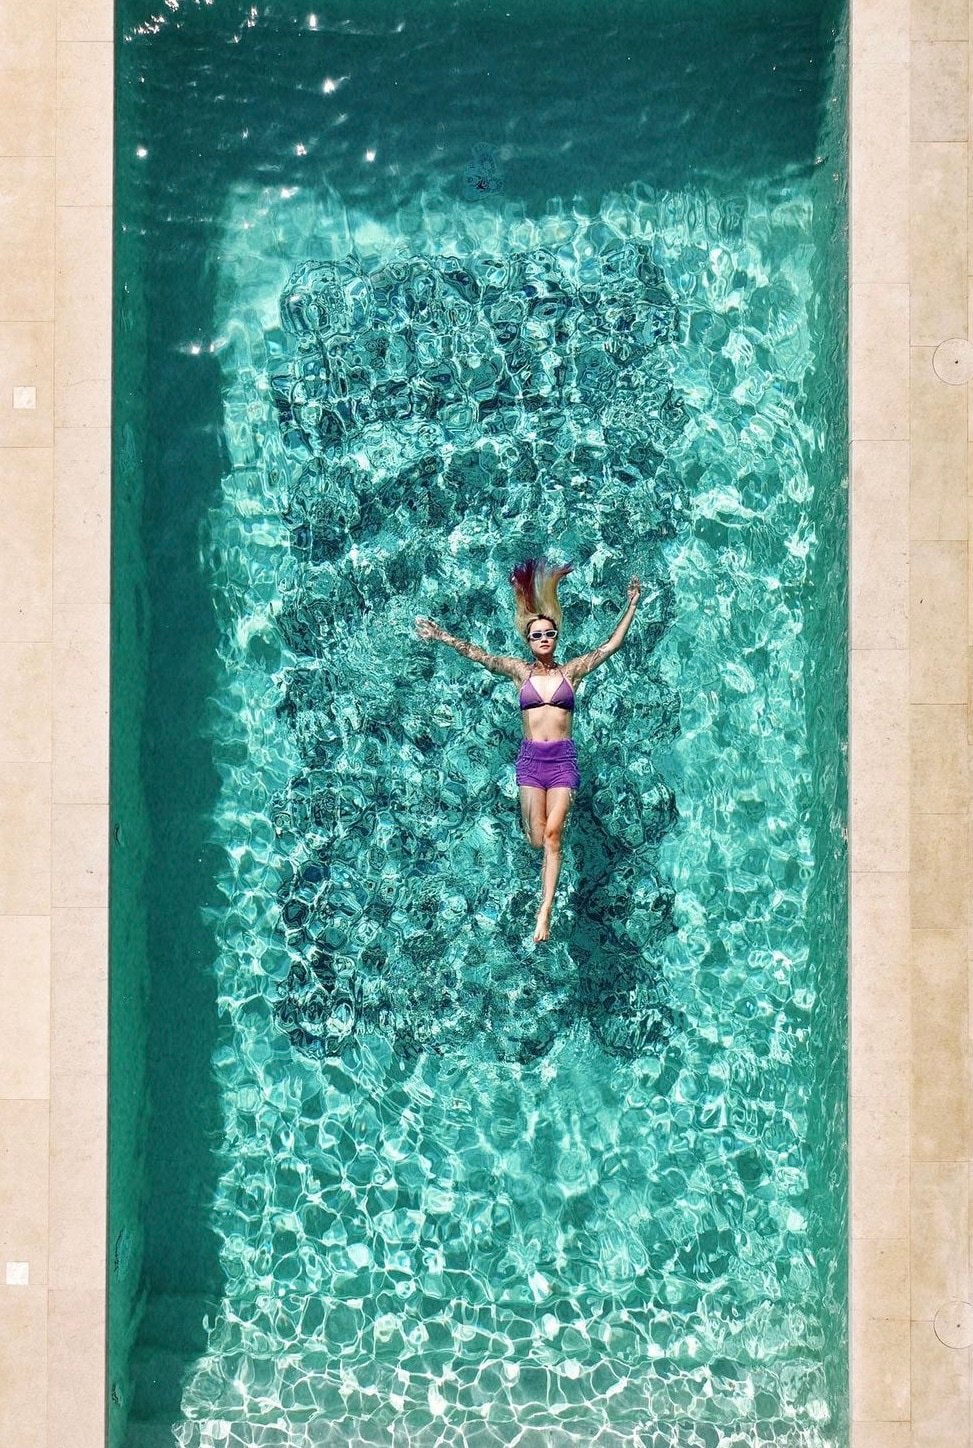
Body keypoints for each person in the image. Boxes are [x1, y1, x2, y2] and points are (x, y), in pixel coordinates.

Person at [416, 559, 641, 942]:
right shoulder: (519, 672)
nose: (544, 640)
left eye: (549, 634)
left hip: (564, 762)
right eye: (537, 635)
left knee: (553, 837)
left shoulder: (572, 672)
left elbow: (611, 646)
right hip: (531, 763)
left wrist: (631, 604)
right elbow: (479, 655)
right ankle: (544, 856)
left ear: (556, 636)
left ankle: (544, 913)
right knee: (536, 839)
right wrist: (441, 636)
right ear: (528, 640)